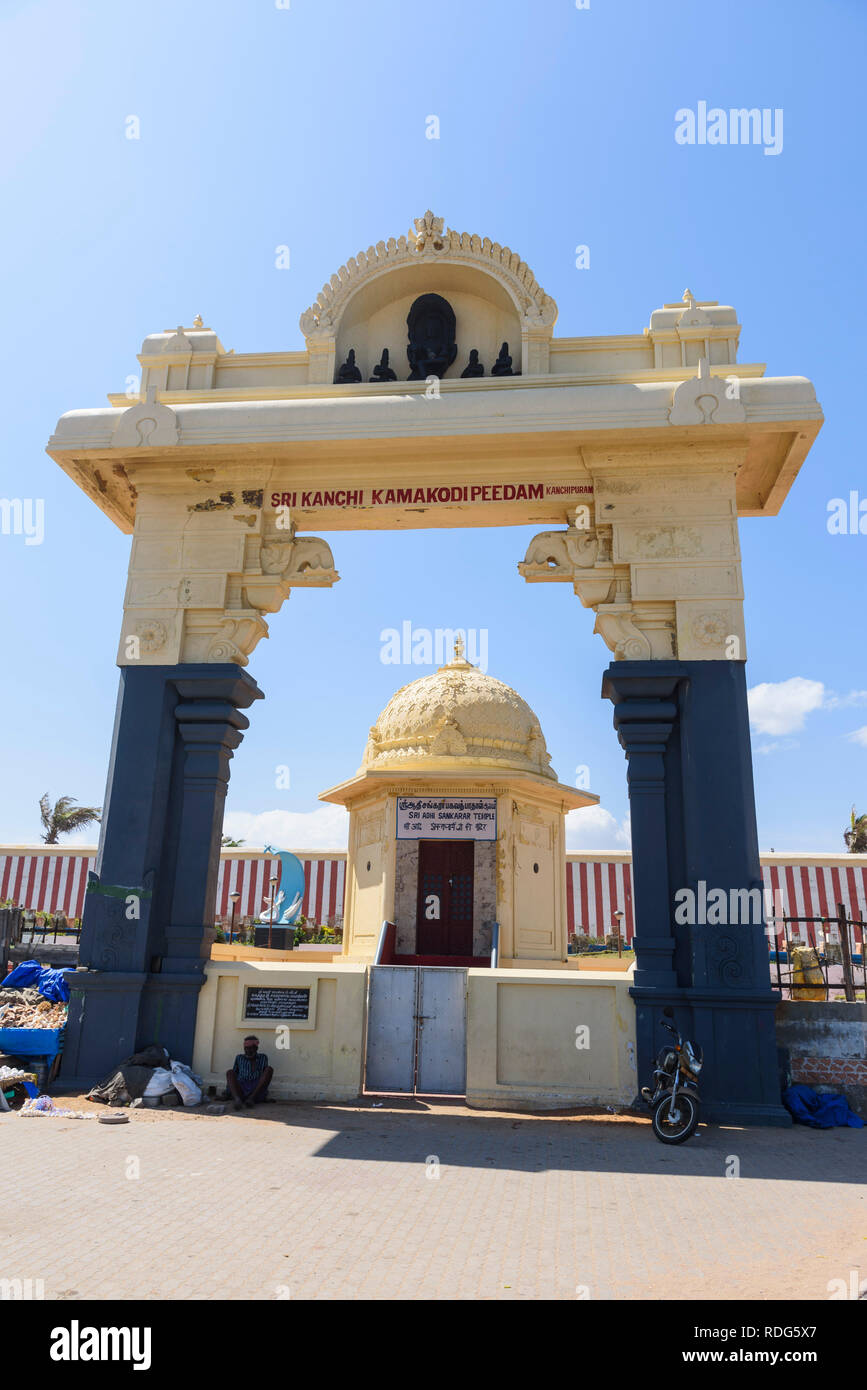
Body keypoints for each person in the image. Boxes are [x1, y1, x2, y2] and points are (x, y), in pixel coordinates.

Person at [226, 1036, 273, 1110]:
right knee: (230, 1072)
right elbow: (234, 1075)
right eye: (246, 1048)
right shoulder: (239, 1057)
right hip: (242, 1088)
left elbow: (265, 1079)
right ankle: (237, 1099)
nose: (248, 1051)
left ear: (256, 1048)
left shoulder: (263, 1057)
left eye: (251, 1048)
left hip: (256, 1089)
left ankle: (251, 1099)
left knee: (269, 1069)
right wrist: (227, 1093)